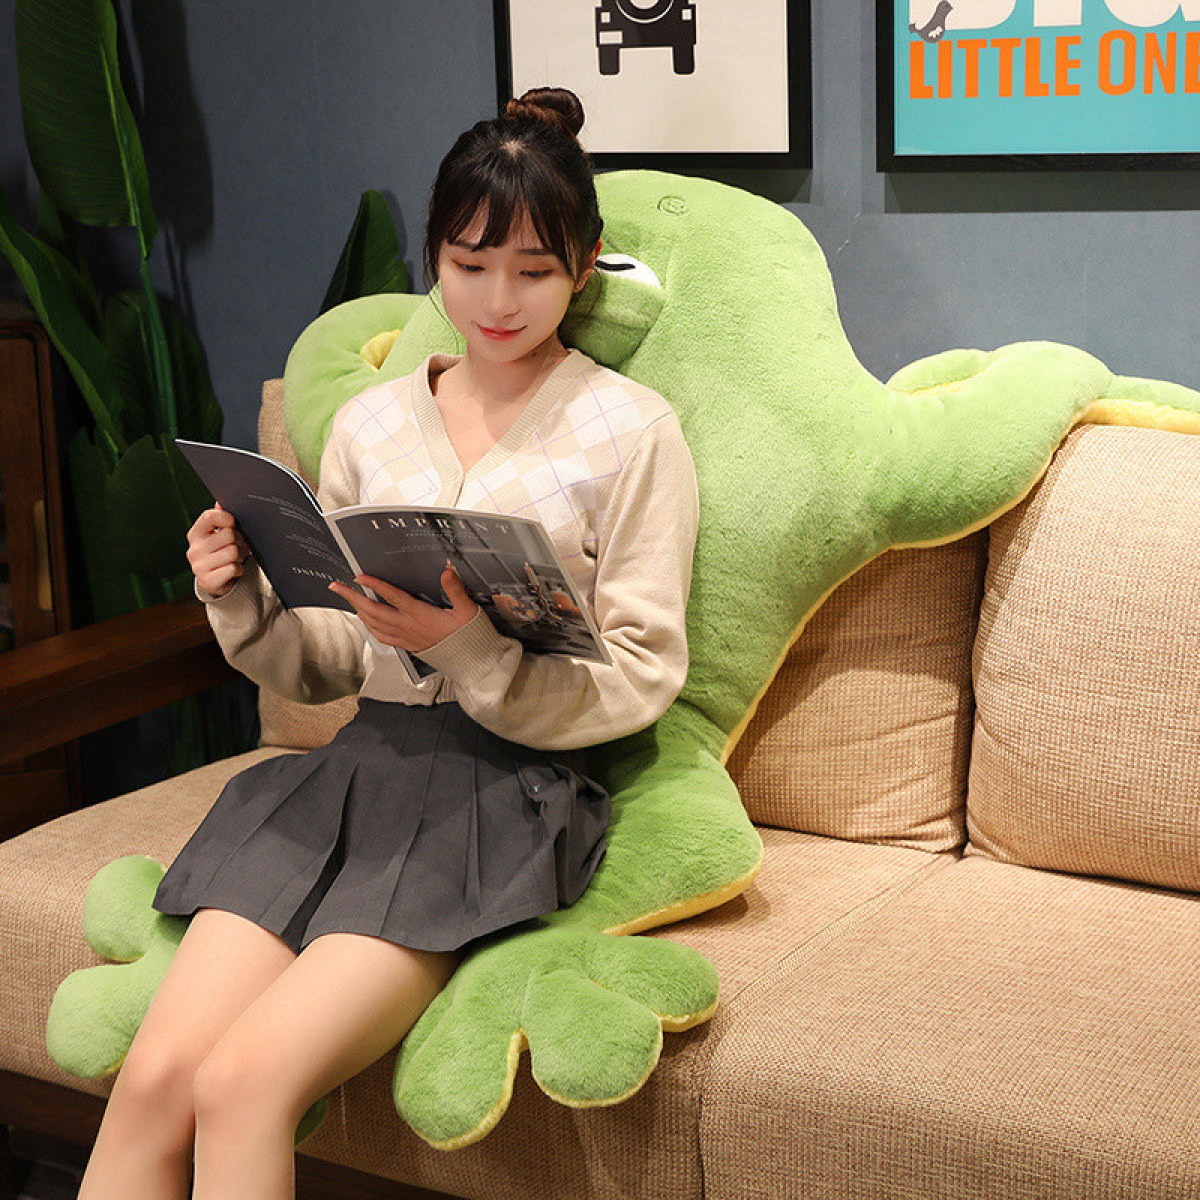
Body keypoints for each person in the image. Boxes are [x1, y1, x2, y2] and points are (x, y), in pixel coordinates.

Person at [77, 86, 699, 1199]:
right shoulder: (371, 420)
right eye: (469, 263)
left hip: (502, 795)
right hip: (354, 771)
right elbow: (330, 653)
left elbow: (644, 669)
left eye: (534, 270)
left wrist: (473, 652)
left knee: (244, 1086)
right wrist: (241, 596)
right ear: (434, 256)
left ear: (584, 266)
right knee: (159, 1079)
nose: (498, 299)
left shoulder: (633, 430)